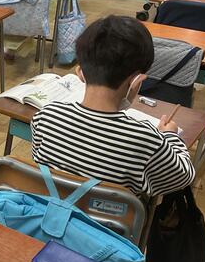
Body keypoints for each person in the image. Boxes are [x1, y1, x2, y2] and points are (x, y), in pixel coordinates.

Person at [31, 16, 196, 196]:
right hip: (109, 215)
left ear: (80, 73)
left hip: (47, 209)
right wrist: (170, 136)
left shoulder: (46, 117)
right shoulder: (146, 140)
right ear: (136, 81)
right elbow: (184, 176)